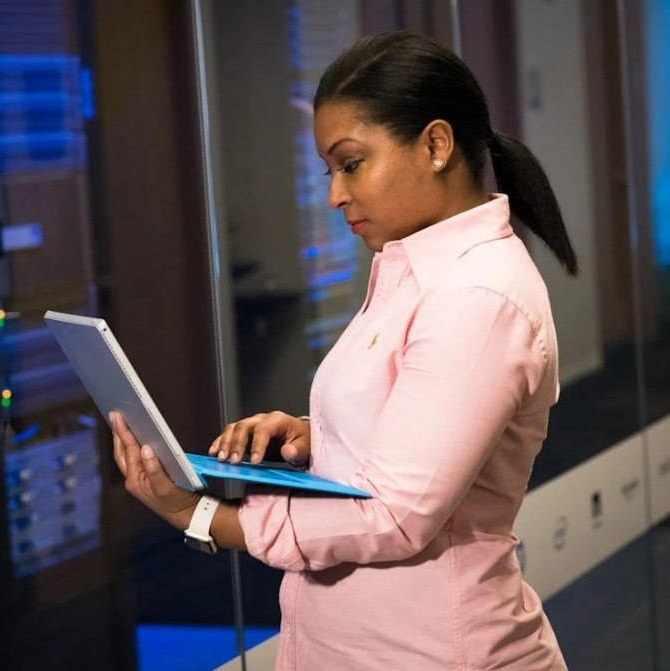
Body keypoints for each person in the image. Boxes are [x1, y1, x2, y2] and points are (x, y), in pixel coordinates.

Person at [110, 31, 573, 670]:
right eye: (329, 171)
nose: (335, 195)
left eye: (351, 163)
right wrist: (314, 435)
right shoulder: (409, 270)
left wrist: (200, 515)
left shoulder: (478, 294)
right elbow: (411, 436)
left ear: (436, 145)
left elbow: (393, 515)